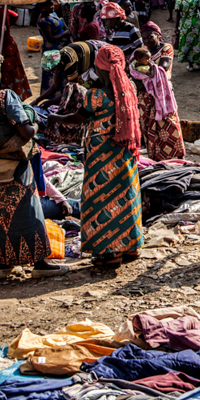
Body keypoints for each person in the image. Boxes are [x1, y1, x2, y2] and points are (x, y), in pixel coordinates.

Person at [0, 52, 64, 278]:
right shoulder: (5, 97)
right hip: (14, 167)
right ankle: (39, 264)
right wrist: (36, 124)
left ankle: (3, 265)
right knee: (28, 210)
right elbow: (25, 131)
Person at [48, 45, 144, 272]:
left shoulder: (96, 96)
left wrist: (54, 117)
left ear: (101, 69)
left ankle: (109, 254)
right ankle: (130, 247)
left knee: (101, 200)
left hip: (102, 156)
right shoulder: (129, 88)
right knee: (126, 196)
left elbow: (77, 118)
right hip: (125, 154)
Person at [129, 23, 184, 161]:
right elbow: (132, 70)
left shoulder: (166, 48)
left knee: (169, 123)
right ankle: (156, 158)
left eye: (150, 37)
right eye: (144, 38)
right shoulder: (141, 52)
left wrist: (146, 73)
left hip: (163, 94)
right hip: (145, 97)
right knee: (149, 126)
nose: (147, 40)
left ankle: (177, 156)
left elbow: (163, 68)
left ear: (158, 35)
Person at [0, 6, 30, 100]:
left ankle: (10, 99)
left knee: (7, 75)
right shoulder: (2, 10)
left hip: (4, 47)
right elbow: (15, 16)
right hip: (7, 45)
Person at [172, 0, 200, 71]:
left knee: (187, 43)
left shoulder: (179, 1)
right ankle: (198, 63)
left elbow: (178, 15)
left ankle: (190, 65)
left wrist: (176, 27)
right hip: (195, 23)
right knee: (197, 41)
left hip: (185, 24)